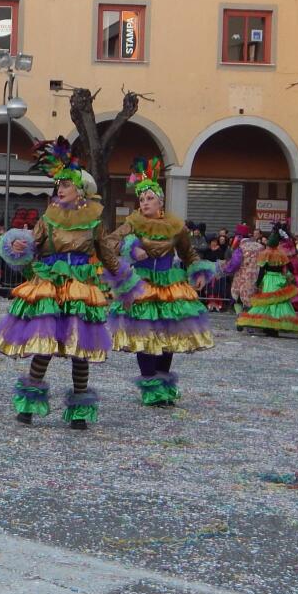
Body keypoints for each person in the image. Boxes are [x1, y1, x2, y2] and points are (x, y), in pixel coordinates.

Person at [0, 137, 142, 430]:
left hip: (80, 290)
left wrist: (126, 283)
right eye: (58, 185)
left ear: (81, 191)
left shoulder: (94, 222)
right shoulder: (48, 218)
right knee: (44, 346)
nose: (60, 189)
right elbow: (32, 246)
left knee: (80, 350)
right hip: (51, 288)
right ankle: (28, 406)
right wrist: (19, 248)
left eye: (66, 185)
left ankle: (79, 412)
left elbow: (106, 254)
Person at [107, 158, 217, 408]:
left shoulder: (176, 226)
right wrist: (132, 249)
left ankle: (164, 384)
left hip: (170, 285)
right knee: (145, 335)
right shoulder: (133, 223)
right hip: (142, 284)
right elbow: (110, 243)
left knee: (168, 336)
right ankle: (149, 386)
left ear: (160, 201)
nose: (144, 203)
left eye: (148, 198)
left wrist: (198, 272)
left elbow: (189, 254)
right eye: (141, 199)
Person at [237, 227, 298, 337]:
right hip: (280, 279)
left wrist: (257, 283)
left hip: (269, 279)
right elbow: (291, 267)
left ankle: (266, 325)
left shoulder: (265, 254)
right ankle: (274, 327)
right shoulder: (282, 254)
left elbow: (262, 270)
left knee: (267, 302)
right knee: (279, 303)